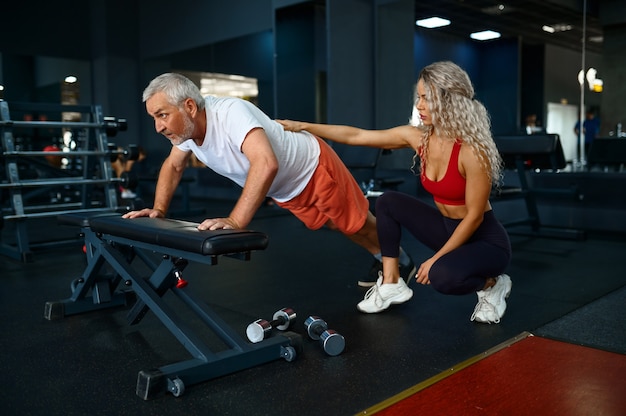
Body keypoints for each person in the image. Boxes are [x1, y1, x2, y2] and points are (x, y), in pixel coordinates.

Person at [123, 73, 415, 293]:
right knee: (337, 224)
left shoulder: (230, 113)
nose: (158, 126)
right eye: (154, 117)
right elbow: (173, 166)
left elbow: (266, 163)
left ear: (189, 106)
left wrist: (236, 220)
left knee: (357, 221)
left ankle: (399, 260)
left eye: (162, 115)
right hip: (288, 189)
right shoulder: (186, 133)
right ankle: (383, 255)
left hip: (312, 167)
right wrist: (158, 210)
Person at [278, 61, 512, 323]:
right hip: (447, 229)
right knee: (388, 201)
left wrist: (436, 258)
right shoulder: (419, 137)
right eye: (419, 97)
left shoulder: (472, 151)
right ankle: (392, 281)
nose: (420, 105)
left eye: (427, 98)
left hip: (485, 241)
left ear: (450, 101)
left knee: (442, 277)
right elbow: (357, 136)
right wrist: (303, 126)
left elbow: (475, 218)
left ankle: (492, 284)